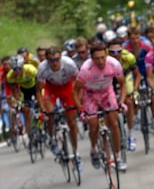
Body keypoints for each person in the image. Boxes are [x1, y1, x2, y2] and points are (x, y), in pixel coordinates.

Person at [72, 41, 127, 170]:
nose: (101, 61)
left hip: (107, 92)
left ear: (107, 55)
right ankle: (94, 149)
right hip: (90, 94)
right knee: (93, 125)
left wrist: (122, 101)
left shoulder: (114, 64)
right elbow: (75, 90)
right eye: (97, 59)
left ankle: (118, 157)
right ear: (92, 58)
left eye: (103, 57)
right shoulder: (86, 69)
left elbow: (123, 84)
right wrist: (80, 108)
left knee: (114, 124)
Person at [36, 46, 80, 161]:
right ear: (46, 60)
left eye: (57, 59)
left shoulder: (69, 63)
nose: (54, 63)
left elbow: (78, 82)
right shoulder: (42, 68)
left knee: (72, 122)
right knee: (50, 113)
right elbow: (39, 91)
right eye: (51, 60)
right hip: (51, 88)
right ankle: (51, 138)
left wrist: (77, 101)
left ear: (61, 57)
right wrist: (42, 109)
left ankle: (76, 151)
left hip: (67, 87)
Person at [107, 38, 141, 152]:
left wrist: (135, 90)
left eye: (118, 51)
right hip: (110, 79)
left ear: (122, 50)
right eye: (112, 52)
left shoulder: (129, 58)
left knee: (129, 101)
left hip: (125, 78)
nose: (115, 55)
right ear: (108, 51)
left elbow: (137, 75)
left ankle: (131, 135)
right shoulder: (104, 59)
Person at [6, 55, 38, 140]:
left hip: (36, 87)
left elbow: (41, 82)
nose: (17, 71)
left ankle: (41, 127)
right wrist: (19, 101)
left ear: (22, 66)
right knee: (26, 110)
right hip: (25, 90)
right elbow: (14, 90)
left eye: (19, 69)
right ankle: (29, 133)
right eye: (14, 69)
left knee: (40, 107)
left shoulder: (30, 70)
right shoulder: (10, 76)